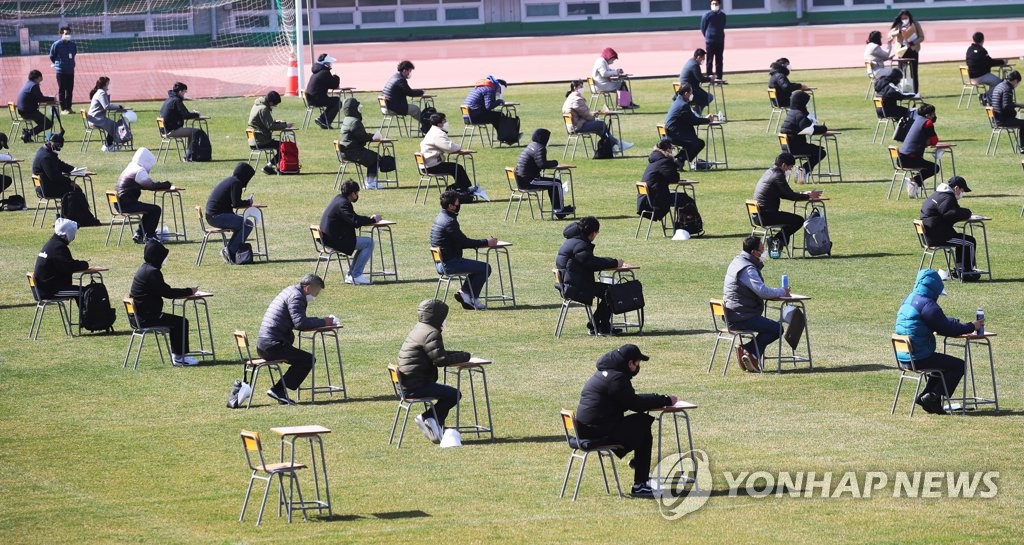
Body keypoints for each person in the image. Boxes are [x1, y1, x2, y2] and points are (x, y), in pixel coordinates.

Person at [575, 344, 676, 498]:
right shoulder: (617, 378)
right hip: (597, 432)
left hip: (587, 430)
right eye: (637, 363)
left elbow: (630, 400)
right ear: (630, 363)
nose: (638, 367)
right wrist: (665, 400)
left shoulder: (605, 373)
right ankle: (640, 483)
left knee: (641, 425)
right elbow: (635, 404)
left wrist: (657, 398)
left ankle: (639, 465)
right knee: (642, 423)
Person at [894, 269, 981, 414]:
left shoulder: (909, 299)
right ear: (934, 289)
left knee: (941, 364)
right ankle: (933, 397)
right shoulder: (927, 305)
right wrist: (971, 326)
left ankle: (926, 397)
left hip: (904, 356)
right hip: (919, 357)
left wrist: (952, 322)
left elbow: (938, 322)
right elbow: (947, 329)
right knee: (958, 365)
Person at [396, 299, 468, 444]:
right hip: (416, 386)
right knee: (454, 394)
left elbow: (437, 354)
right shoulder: (431, 333)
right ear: (438, 317)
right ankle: (430, 418)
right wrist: (465, 356)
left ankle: (433, 421)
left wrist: (459, 354)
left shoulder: (420, 328)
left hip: (407, 384)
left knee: (449, 393)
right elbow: (441, 360)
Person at [257, 274, 336, 405]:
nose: (316, 295)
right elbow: (301, 324)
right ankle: (278, 390)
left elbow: (299, 321)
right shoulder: (297, 297)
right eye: (316, 291)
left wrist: (319, 321)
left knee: (304, 359)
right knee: (307, 360)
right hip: (273, 346)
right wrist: (324, 321)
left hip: (266, 344)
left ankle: (279, 389)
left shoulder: (291, 291)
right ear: (308, 288)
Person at [723, 236, 790, 372]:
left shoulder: (737, 261)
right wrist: (782, 291)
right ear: (754, 252)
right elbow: (762, 291)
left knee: (770, 327)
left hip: (733, 314)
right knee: (777, 329)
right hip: (741, 317)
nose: (764, 252)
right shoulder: (747, 269)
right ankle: (750, 351)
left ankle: (750, 353)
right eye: (761, 249)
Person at [129, 240, 198, 366]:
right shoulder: (152, 272)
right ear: (157, 257)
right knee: (181, 322)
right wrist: (189, 291)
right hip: (147, 318)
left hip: (137, 317)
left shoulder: (144, 269)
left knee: (177, 321)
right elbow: (168, 293)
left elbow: (163, 290)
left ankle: (178, 355)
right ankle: (179, 357)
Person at [555, 216, 623, 335]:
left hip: (570, 284)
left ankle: (598, 325)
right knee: (613, 292)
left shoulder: (571, 241)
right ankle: (597, 325)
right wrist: (615, 262)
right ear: (592, 233)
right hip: (577, 288)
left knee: (609, 291)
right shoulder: (580, 245)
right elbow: (591, 263)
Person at [430, 190, 495, 310]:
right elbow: (464, 242)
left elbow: (460, 242)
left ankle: (465, 293)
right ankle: (472, 298)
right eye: (457, 203)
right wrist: (486, 242)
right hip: (450, 264)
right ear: (450, 206)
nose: (459, 206)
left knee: (477, 268)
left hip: (441, 263)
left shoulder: (440, 217)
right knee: (485, 268)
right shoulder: (449, 222)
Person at [753, 153, 822, 252]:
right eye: (790, 168)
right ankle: (776, 240)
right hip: (767, 216)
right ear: (784, 165)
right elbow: (790, 195)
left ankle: (777, 240)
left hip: (758, 216)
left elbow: (784, 194)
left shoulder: (769, 172)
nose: (789, 171)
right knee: (798, 220)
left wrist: (804, 194)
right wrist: (808, 196)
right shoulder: (778, 175)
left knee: (792, 220)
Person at [320, 180, 381, 285]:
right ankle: (356, 275)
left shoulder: (338, 199)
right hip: (335, 241)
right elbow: (355, 221)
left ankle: (351, 275)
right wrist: (372, 219)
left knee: (364, 244)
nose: (357, 195)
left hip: (329, 238)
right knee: (369, 242)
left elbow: (352, 218)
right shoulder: (343, 204)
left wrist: (367, 219)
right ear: (353, 193)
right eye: (357, 193)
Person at [920, 176, 978, 279]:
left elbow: (951, 212)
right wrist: (968, 213)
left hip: (931, 234)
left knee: (964, 240)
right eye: (962, 190)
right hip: (939, 236)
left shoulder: (938, 194)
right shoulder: (947, 198)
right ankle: (967, 273)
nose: (962, 193)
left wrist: (962, 212)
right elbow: (951, 214)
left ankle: (961, 270)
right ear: (956, 188)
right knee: (970, 242)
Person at [639, 139, 697, 234]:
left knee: (680, 197)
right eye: (672, 149)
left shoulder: (654, 160)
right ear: (668, 150)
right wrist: (673, 163)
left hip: (646, 200)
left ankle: (684, 226)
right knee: (685, 199)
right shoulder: (664, 161)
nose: (673, 152)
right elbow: (674, 177)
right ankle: (688, 227)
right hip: (656, 201)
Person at [514, 128, 574, 218]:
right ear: (543, 139)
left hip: (522, 180)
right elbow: (542, 164)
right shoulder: (540, 148)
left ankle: (558, 210)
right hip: (530, 181)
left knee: (554, 184)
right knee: (557, 183)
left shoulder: (531, 146)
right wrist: (555, 162)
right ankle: (560, 212)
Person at [116, 148, 171, 244]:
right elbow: (151, 186)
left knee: (149, 210)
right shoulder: (139, 170)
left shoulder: (131, 166)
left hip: (119, 203)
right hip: (127, 204)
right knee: (155, 209)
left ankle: (139, 234)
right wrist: (167, 184)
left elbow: (143, 185)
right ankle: (150, 236)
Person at [205, 162, 255, 264]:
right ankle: (230, 250)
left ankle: (231, 251)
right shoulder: (236, 183)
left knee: (242, 224)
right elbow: (236, 204)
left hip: (213, 215)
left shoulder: (231, 180)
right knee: (248, 224)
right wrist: (248, 202)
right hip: (216, 216)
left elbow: (232, 203)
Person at [562, 80, 633, 153]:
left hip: (574, 125)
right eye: (581, 86)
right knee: (601, 125)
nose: (582, 88)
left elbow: (582, 113)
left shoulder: (570, 98)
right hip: (577, 126)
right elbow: (586, 115)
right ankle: (617, 143)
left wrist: (592, 114)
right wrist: (594, 118)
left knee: (599, 128)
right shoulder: (576, 99)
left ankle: (611, 147)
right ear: (574, 88)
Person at [420, 113, 475, 198]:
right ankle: (459, 189)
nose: (446, 123)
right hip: (432, 166)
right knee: (457, 168)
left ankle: (461, 188)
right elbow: (449, 147)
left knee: (455, 168)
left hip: (427, 164)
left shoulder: (432, 131)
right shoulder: (438, 133)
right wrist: (459, 147)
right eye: (444, 121)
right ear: (439, 124)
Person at [33, 218, 87, 302]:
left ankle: (85, 315)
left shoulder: (52, 244)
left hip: (43, 288)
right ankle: (89, 315)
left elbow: (65, 265)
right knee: (86, 292)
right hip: (51, 291)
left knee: (82, 291)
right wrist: (84, 264)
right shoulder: (59, 247)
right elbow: (69, 267)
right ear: (68, 233)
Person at [780, 91, 827, 181]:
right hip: (797, 148)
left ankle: (802, 170)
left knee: (816, 150)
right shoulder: (799, 115)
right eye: (805, 103)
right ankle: (804, 169)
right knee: (821, 152)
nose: (806, 106)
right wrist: (823, 128)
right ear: (801, 103)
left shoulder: (791, 113)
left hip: (787, 147)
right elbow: (811, 130)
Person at [664, 83, 714, 168]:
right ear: (686, 94)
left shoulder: (678, 101)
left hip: (671, 134)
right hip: (676, 135)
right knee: (698, 143)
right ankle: (678, 160)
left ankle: (678, 160)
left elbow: (690, 119)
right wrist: (707, 120)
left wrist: (703, 119)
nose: (692, 95)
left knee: (693, 142)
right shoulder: (683, 105)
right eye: (691, 93)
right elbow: (693, 121)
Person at [337, 97, 381, 189]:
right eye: (357, 108)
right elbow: (362, 137)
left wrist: (370, 136)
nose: (359, 110)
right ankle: (370, 182)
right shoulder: (355, 122)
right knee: (375, 158)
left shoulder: (347, 119)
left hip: (346, 151)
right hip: (353, 152)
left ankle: (370, 181)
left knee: (372, 156)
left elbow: (360, 135)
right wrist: (373, 137)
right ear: (353, 109)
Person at [898, 102, 938, 196]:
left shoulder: (917, 119)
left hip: (901, 158)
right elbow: (934, 141)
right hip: (910, 159)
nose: (935, 116)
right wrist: (927, 141)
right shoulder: (928, 123)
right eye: (933, 114)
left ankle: (914, 182)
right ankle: (914, 181)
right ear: (928, 115)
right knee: (935, 168)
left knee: (929, 166)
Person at [247, 90, 290, 175]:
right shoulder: (264, 109)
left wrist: (277, 123)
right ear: (270, 102)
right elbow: (270, 126)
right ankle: (268, 166)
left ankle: (270, 166)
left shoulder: (257, 105)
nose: (275, 106)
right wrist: (285, 126)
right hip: (261, 140)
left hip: (253, 139)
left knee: (281, 146)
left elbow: (265, 123)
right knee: (285, 147)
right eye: (275, 104)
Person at [464, 76, 513, 140]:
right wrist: (499, 101)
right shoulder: (490, 89)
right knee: (499, 115)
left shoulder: (481, 87)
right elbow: (489, 106)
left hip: (467, 116)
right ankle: (506, 137)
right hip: (475, 115)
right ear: (500, 87)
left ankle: (504, 136)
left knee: (496, 116)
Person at [888, 10, 924, 93]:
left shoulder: (915, 23)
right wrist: (899, 31)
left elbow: (921, 37)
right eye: (902, 18)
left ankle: (915, 91)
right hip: (901, 50)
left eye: (906, 17)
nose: (904, 19)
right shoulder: (898, 24)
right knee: (901, 71)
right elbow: (890, 34)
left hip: (912, 49)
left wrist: (912, 43)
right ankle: (900, 90)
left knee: (914, 72)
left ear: (909, 17)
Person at [87, 76, 126, 152]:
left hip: (95, 118)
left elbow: (106, 105)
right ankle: (109, 146)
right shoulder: (101, 93)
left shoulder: (99, 92)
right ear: (104, 85)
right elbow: (106, 106)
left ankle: (108, 145)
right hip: (96, 119)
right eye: (108, 83)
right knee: (115, 125)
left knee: (113, 125)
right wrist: (119, 106)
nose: (109, 85)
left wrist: (116, 106)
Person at [965, 32, 1005, 105]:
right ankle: (985, 96)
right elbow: (990, 62)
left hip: (971, 77)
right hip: (980, 76)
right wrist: (1002, 61)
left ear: (973, 39)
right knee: (1000, 83)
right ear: (983, 40)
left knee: (993, 82)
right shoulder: (982, 50)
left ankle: (990, 99)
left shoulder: (969, 49)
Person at [989, 71, 1024, 154]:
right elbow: (1006, 106)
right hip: (1003, 120)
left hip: (996, 119)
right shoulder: (1007, 89)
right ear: (1015, 81)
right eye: (1018, 83)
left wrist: (1018, 105)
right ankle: (1023, 147)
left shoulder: (999, 86)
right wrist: (1015, 111)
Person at [17, 70, 55, 143]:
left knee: (43, 122)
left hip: (22, 111)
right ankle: (28, 134)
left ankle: (28, 133)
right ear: (38, 77)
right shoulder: (34, 85)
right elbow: (40, 99)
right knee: (48, 123)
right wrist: (52, 98)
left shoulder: (27, 84)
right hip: (29, 111)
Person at [158, 82, 199, 149]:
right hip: (171, 131)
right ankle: (189, 155)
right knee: (195, 132)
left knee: (192, 131)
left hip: (164, 130)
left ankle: (189, 154)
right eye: (184, 92)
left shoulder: (169, 99)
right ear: (180, 92)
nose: (185, 94)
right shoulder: (177, 101)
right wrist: (197, 114)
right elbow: (186, 115)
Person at [305, 53, 341, 129]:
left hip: (311, 99)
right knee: (337, 102)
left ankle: (323, 119)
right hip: (316, 99)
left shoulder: (317, 71)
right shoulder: (325, 73)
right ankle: (324, 120)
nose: (330, 64)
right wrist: (336, 76)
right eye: (329, 63)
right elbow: (334, 85)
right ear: (325, 64)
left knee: (334, 101)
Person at [49, 26, 76, 115]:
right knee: (62, 90)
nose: (67, 35)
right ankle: (63, 108)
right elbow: (52, 56)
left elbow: (74, 54)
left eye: (69, 33)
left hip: (70, 71)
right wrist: (58, 64)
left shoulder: (72, 44)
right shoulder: (56, 44)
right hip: (61, 71)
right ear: (61, 34)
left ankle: (69, 107)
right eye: (66, 33)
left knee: (69, 90)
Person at [680, 49, 715, 114]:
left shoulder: (690, 61)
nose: (703, 61)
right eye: (703, 59)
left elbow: (698, 77)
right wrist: (710, 79)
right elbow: (700, 79)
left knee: (706, 97)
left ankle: (696, 111)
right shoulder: (694, 65)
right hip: (690, 90)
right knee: (709, 97)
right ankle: (696, 113)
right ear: (699, 57)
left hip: (685, 88)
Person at [701, 0, 726, 80]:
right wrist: (708, 36)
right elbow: (703, 28)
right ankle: (709, 76)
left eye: (716, 4)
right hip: (710, 41)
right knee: (709, 59)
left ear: (719, 4)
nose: (714, 5)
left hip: (720, 40)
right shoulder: (707, 15)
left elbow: (722, 26)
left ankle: (719, 77)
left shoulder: (723, 15)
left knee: (719, 59)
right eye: (713, 4)